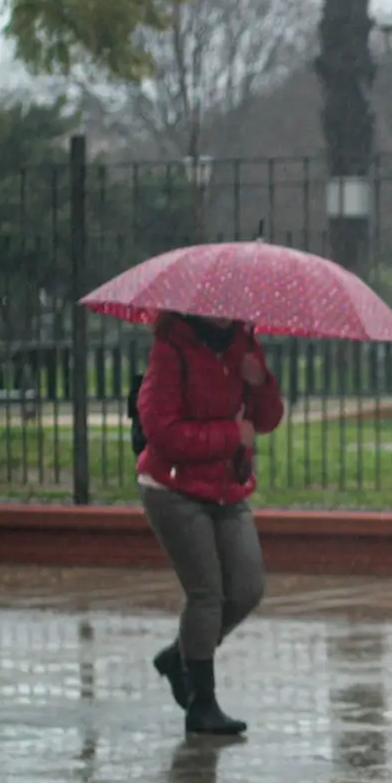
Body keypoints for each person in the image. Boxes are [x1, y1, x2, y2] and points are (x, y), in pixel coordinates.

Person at [138, 312, 283, 736]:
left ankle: (178, 657)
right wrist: (229, 436)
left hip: (226, 487)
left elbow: (267, 420)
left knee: (247, 588)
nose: (223, 313)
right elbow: (161, 432)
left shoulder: (244, 343)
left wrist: (261, 382)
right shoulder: (170, 349)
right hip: (173, 488)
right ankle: (202, 704)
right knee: (207, 594)